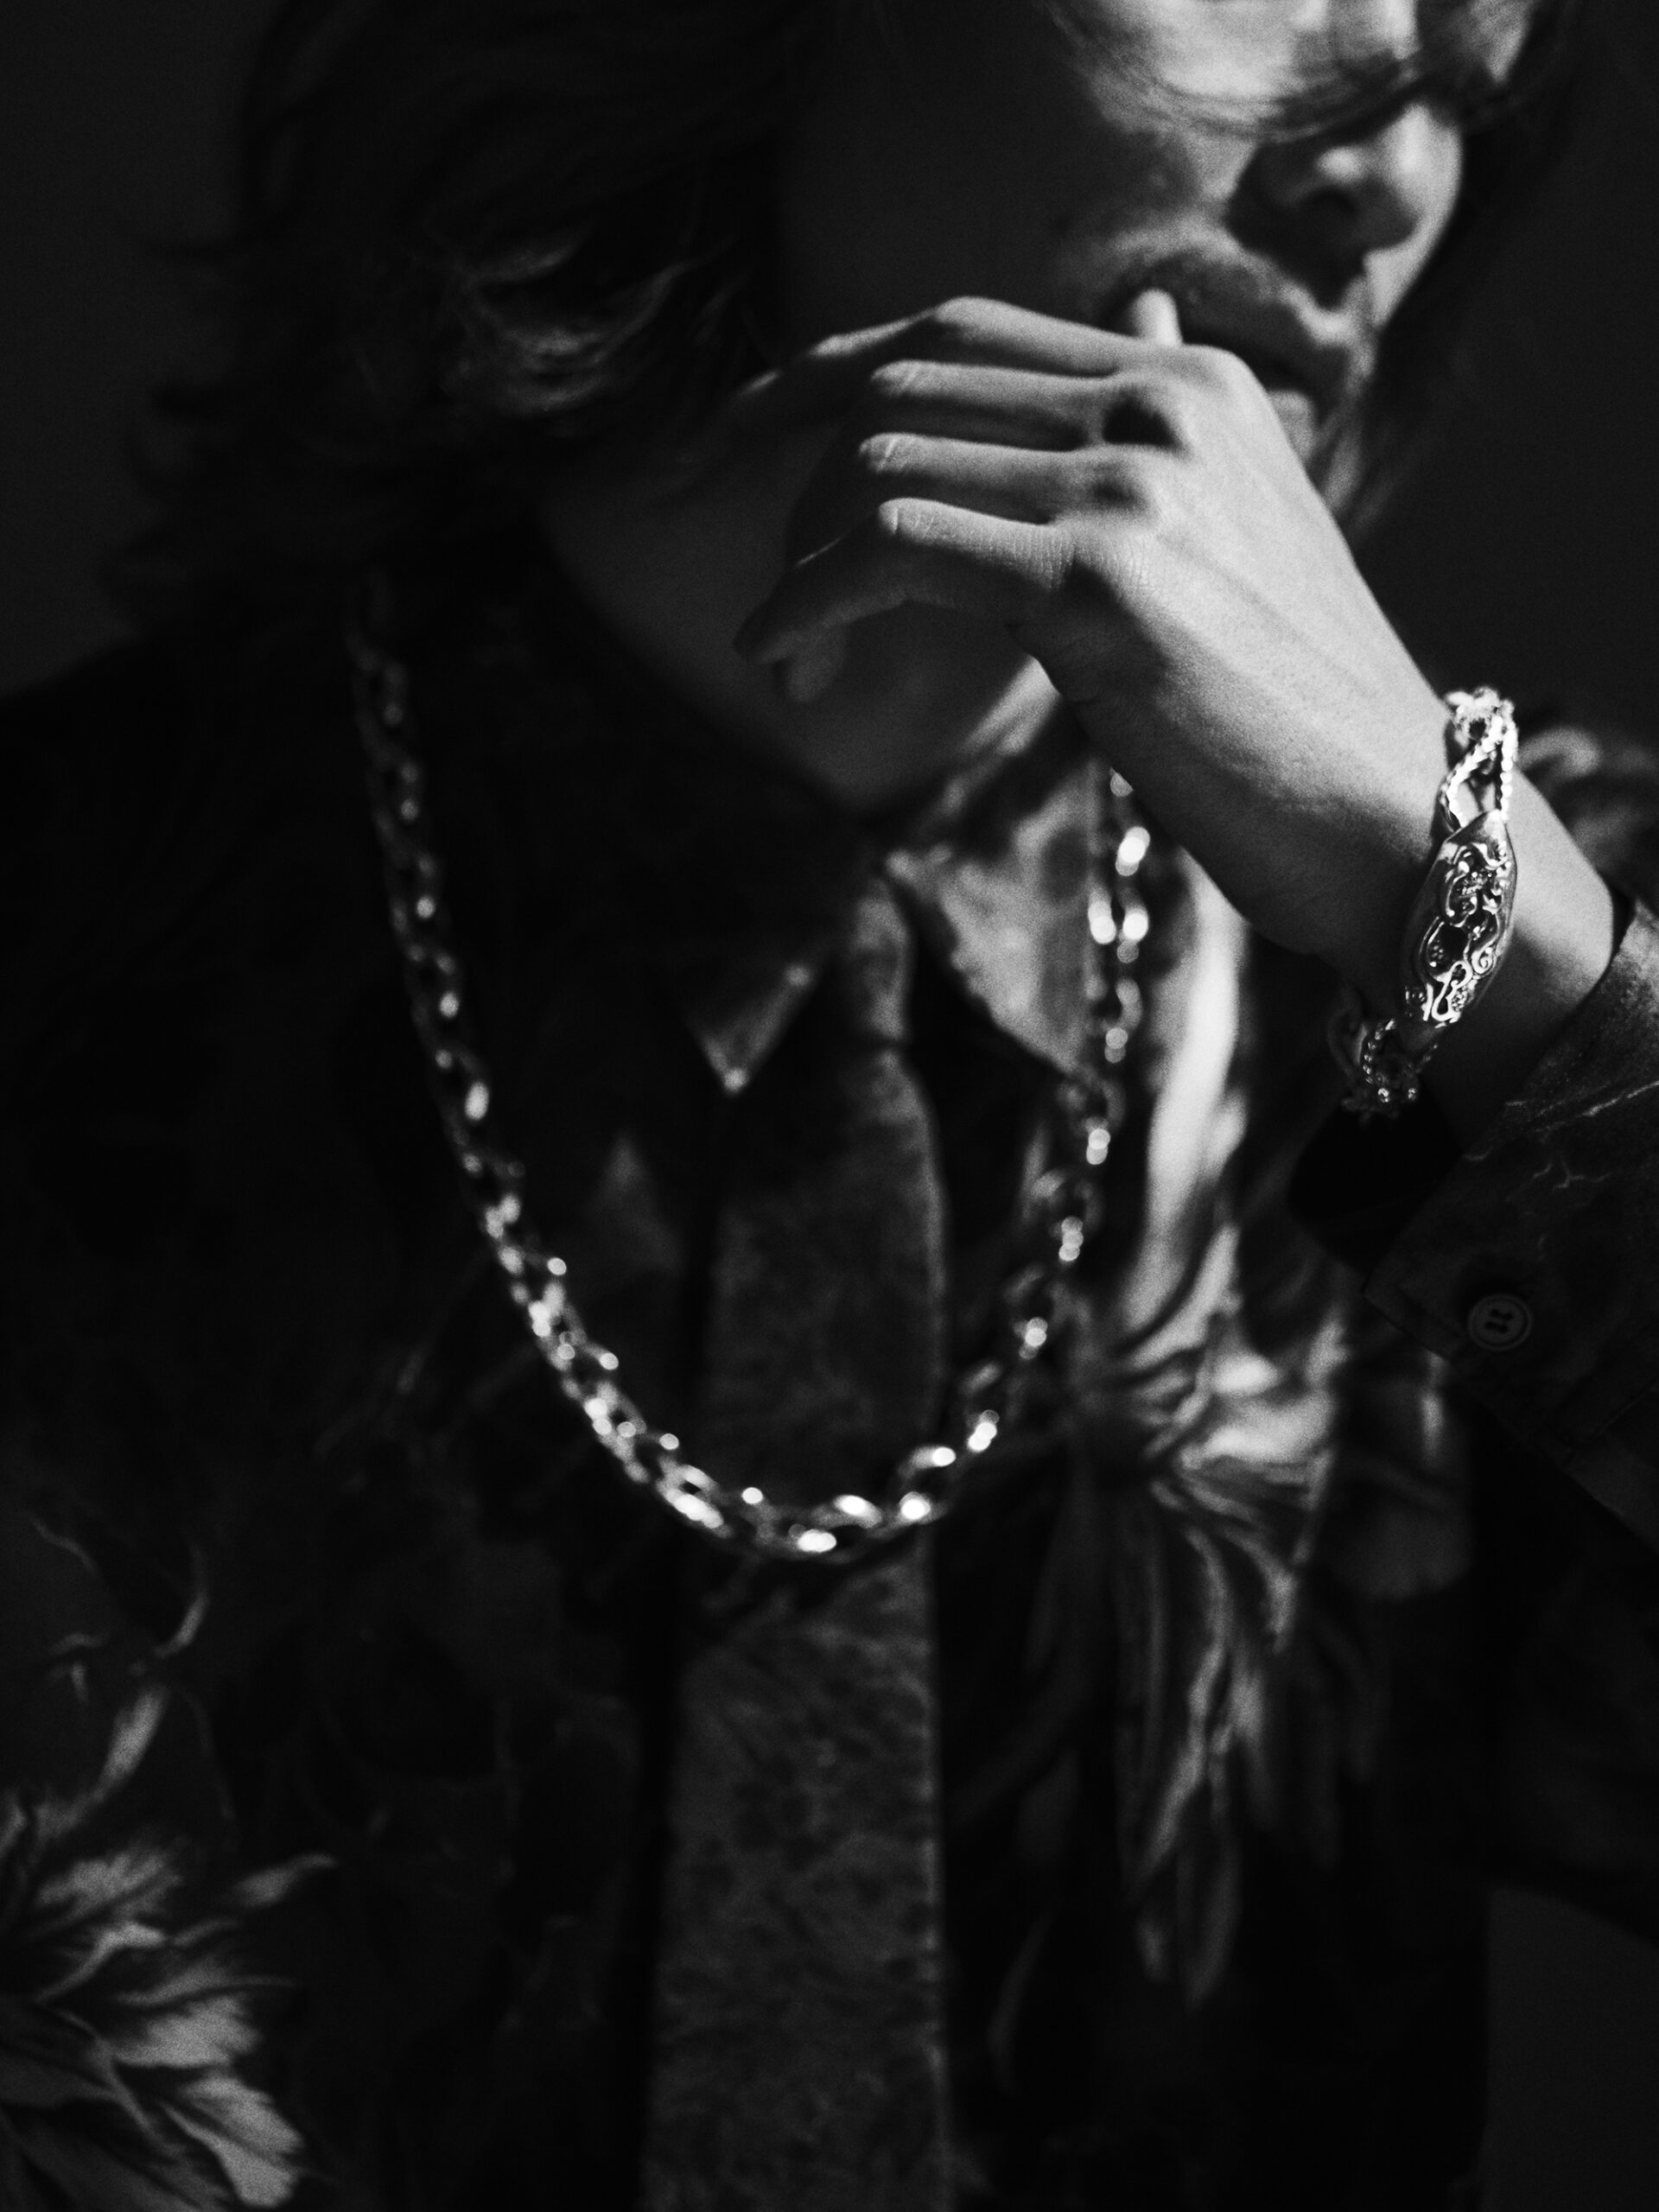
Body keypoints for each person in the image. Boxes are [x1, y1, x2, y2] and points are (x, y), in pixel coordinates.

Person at [3, 0, 1656, 2206]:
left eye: (1475, 64)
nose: (1395, 175)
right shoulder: (64, 945)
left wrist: (1475, 935)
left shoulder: (1527, 983)